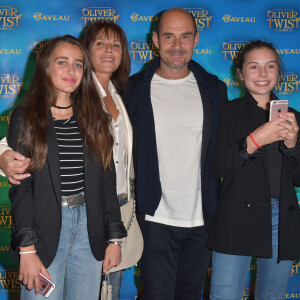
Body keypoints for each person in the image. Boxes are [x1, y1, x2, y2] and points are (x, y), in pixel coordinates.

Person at [0, 20, 143, 300]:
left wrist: (114, 238)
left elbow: (107, 179)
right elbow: (22, 189)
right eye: (62, 62)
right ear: (46, 67)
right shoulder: (25, 118)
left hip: (91, 228)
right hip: (45, 229)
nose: (71, 70)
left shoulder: (95, 118)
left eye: (78, 64)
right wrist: (27, 249)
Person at [124, 7, 228, 300]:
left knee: (191, 295)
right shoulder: (133, 90)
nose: (177, 46)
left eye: (185, 37)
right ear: (155, 40)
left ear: (196, 39)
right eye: (169, 36)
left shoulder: (214, 89)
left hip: (201, 219)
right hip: (155, 216)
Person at [208, 40, 300, 300]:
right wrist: (255, 140)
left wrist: (292, 145)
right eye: (254, 67)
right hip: (235, 216)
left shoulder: (294, 117)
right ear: (240, 73)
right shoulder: (225, 113)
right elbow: (216, 167)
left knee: (272, 296)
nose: (262, 74)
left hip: (281, 219)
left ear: (278, 73)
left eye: (270, 67)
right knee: (223, 296)